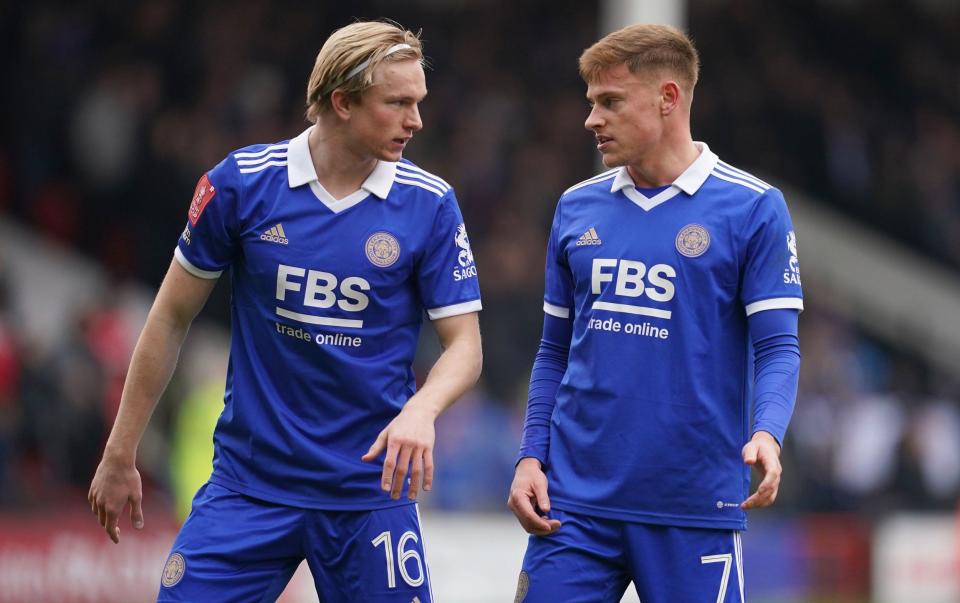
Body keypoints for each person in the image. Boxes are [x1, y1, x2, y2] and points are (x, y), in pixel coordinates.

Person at [88, 20, 482, 602]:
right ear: (342, 102)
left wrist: (424, 408)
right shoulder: (242, 186)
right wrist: (121, 451)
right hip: (250, 488)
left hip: (367, 495)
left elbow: (466, 346)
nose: (416, 121)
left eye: (418, 103)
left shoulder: (429, 204)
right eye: (398, 103)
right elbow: (170, 317)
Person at [507, 24, 802, 602]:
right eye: (591, 102)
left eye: (610, 102)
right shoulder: (575, 207)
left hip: (694, 507)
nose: (592, 119)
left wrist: (767, 432)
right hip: (574, 509)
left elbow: (777, 347)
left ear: (668, 99)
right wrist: (529, 457)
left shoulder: (753, 208)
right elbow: (554, 352)